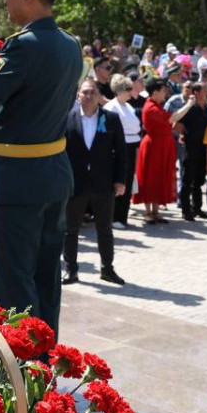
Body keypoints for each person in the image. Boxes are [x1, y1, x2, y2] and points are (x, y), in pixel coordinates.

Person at [0, 0, 83, 335]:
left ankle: (17, 377)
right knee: (47, 278)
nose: (6, 0)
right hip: (54, 175)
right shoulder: (70, 45)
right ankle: (43, 365)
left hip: (18, 180)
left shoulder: (23, 45)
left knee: (14, 283)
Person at [62, 80, 128, 285]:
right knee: (71, 229)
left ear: (99, 96)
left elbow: (122, 152)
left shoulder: (111, 118)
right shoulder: (67, 119)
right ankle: (71, 270)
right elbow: (60, 152)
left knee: (105, 229)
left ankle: (107, 268)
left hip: (103, 183)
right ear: (78, 96)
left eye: (93, 92)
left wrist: (120, 180)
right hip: (76, 183)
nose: (89, 96)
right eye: (85, 92)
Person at [133, 78, 177, 224]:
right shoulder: (151, 107)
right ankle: (148, 211)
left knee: (158, 176)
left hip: (161, 144)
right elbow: (170, 119)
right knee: (149, 176)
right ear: (155, 92)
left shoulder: (157, 105)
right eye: (163, 90)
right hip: (153, 145)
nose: (165, 93)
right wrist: (189, 105)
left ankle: (156, 211)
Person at [103, 73, 142, 229]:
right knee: (119, 179)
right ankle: (114, 217)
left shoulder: (128, 106)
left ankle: (122, 216)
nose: (130, 91)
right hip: (120, 146)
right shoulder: (111, 107)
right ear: (119, 90)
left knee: (128, 179)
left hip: (132, 144)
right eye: (127, 89)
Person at [171, 80, 207, 221]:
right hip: (191, 147)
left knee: (199, 179)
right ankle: (186, 210)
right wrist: (185, 134)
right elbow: (176, 125)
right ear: (197, 92)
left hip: (204, 147)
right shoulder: (190, 109)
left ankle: (197, 207)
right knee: (188, 178)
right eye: (205, 89)